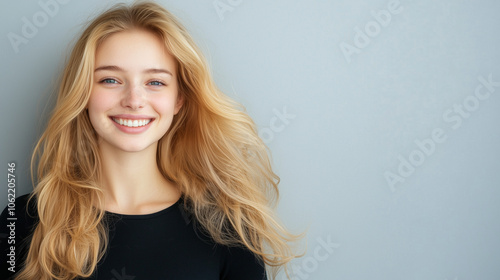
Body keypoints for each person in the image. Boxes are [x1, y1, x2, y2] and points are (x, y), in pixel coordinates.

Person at [0, 1, 300, 279]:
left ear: (179, 99)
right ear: (83, 94)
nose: (134, 100)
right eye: (110, 80)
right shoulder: (22, 221)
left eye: (155, 82)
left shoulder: (228, 229)